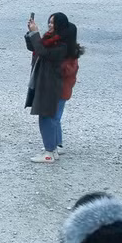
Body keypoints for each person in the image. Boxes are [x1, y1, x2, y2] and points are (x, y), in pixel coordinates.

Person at [24, 12, 72, 163]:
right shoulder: (53, 39)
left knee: (46, 118)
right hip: (47, 84)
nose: (50, 25)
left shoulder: (62, 44)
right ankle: (54, 149)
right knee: (51, 118)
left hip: (51, 86)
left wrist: (35, 33)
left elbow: (43, 53)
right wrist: (31, 33)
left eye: (53, 23)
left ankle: (49, 153)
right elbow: (35, 48)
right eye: (49, 22)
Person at [55, 22, 84, 155]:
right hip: (62, 89)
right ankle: (57, 142)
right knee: (55, 117)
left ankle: (57, 144)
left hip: (62, 90)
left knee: (55, 117)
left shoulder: (70, 54)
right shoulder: (71, 51)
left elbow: (67, 71)